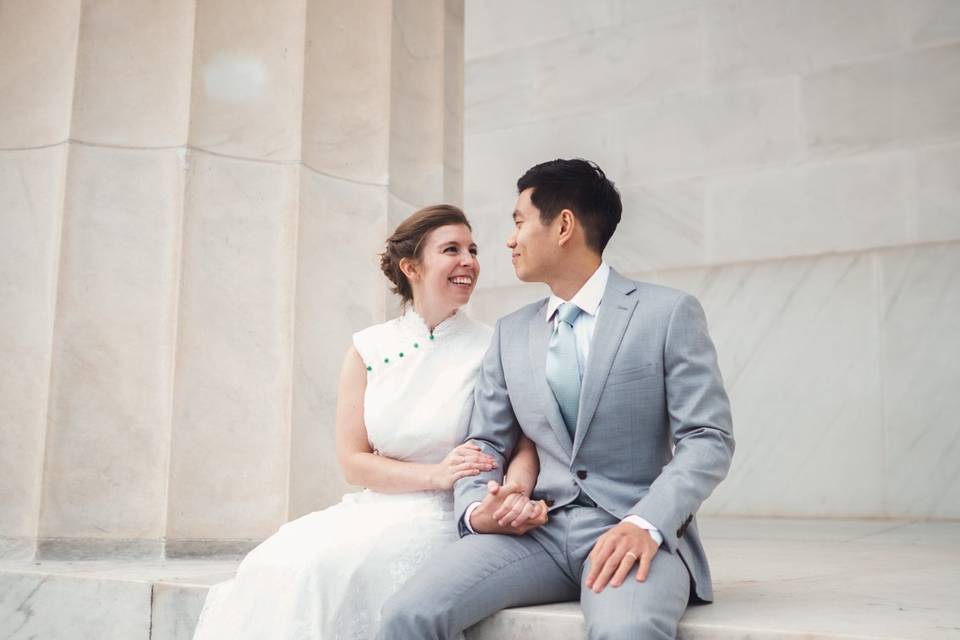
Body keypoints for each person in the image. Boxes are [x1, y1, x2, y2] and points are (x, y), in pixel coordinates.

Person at [378, 159, 735, 640]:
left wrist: (647, 523)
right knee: (409, 614)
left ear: (563, 225)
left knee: (626, 633)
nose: (510, 239)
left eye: (519, 221)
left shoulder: (667, 313)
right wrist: (477, 509)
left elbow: (708, 439)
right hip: (533, 535)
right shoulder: (511, 332)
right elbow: (486, 441)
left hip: (628, 529)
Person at [192, 205, 544, 639]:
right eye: (451, 249)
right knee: (275, 561)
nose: (468, 261)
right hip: (377, 505)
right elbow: (354, 463)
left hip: (449, 513)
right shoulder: (368, 348)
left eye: (472, 249)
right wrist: (435, 473)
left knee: (333, 569)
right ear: (410, 266)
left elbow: (526, 442)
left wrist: (510, 493)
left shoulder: (495, 344)